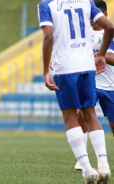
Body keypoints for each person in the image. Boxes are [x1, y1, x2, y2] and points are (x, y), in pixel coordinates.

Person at [38, 0, 114, 183]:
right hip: (87, 66)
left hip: (65, 67)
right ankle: (103, 164)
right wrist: (100, 55)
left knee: (70, 116)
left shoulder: (46, 4)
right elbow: (110, 27)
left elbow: (48, 37)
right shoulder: (86, 2)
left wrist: (45, 70)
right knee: (89, 113)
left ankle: (87, 167)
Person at [74, 0, 114, 172]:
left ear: (104, 15)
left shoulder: (109, 33)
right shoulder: (83, 33)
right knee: (81, 113)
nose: (91, 19)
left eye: (95, 15)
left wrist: (96, 55)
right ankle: (82, 158)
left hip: (110, 85)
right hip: (90, 81)